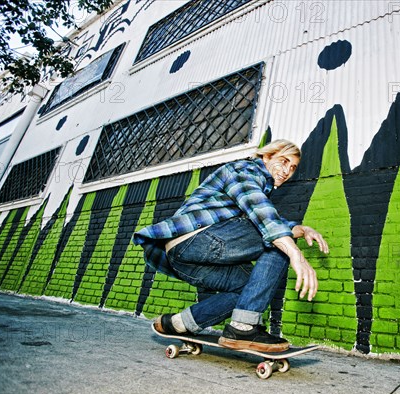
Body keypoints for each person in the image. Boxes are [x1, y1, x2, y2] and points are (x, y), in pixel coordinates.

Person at [132, 140, 329, 352]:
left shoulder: (257, 185)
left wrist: (301, 228)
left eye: (292, 168)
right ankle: (243, 329)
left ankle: (178, 323)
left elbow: (259, 218)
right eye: (283, 161)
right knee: (278, 241)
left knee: (248, 287)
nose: (287, 171)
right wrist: (294, 253)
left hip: (182, 258)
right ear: (266, 157)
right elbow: (262, 215)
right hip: (197, 240)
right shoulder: (244, 169)